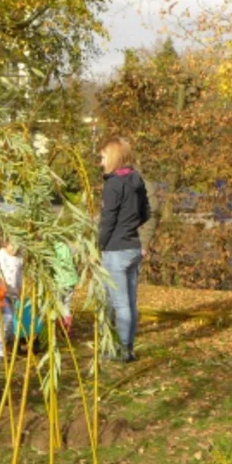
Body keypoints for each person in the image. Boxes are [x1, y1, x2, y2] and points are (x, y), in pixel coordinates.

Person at [99, 137, 150, 363]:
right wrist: (130, 226)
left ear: (113, 157)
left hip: (115, 250)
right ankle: (127, 347)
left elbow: (107, 220)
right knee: (130, 302)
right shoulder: (136, 181)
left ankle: (119, 350)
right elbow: (146, 213)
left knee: (119, 304)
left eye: (102, 157)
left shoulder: (112, 184)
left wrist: (99, 245)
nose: (100, 162)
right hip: (133, 248)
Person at [52, 240, 79, 333]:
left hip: (60, 282)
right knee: (66, 305)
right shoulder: (66, 245)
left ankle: (56, 329)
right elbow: (76, 251)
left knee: (57, 305)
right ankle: (67, 329)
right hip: (71, 281)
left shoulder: (52, 247)